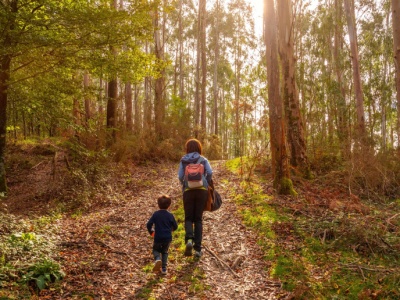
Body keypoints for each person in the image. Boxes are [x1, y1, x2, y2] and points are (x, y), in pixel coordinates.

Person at [178, 138, 213, 258]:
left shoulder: (183, 160)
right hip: (201, 191)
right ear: (199, 148)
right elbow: (210, 172)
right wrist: (205, 183)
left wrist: (184, 184)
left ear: (187, 148)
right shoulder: (203, 159)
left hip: (188, 190)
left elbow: (180, 175)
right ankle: (198, 249)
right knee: (198, 219)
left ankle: (189, 240)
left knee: (188, 218)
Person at [146, 195, 178, 275]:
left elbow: (149, 224)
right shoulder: (170, 215)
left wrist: (152, 231)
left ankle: (157, 259)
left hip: (158, 236)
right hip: (167, 237)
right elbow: (175, 226)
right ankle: (164, 269)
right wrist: (170, 230)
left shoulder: (156, 214)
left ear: (158, 204)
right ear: (169, 205)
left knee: (155, 250)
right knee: (165, 252)